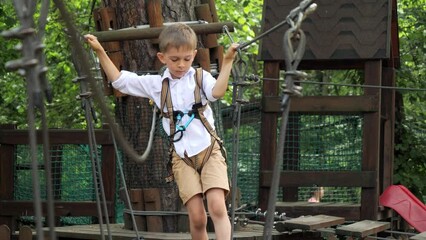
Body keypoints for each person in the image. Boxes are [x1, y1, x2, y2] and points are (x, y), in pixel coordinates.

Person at [85, 23, 239, 240]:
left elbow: (217, 92)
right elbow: (120, 80)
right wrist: (100, 51)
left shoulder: (200, 77)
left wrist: (228, 62)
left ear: (194, 55)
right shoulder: (157, 84)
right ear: (162, 57)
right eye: (175, 59)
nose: (181, 64)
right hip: (182, 156)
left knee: (217, 207)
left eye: (187, 59)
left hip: (209, 150)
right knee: (196, 217)